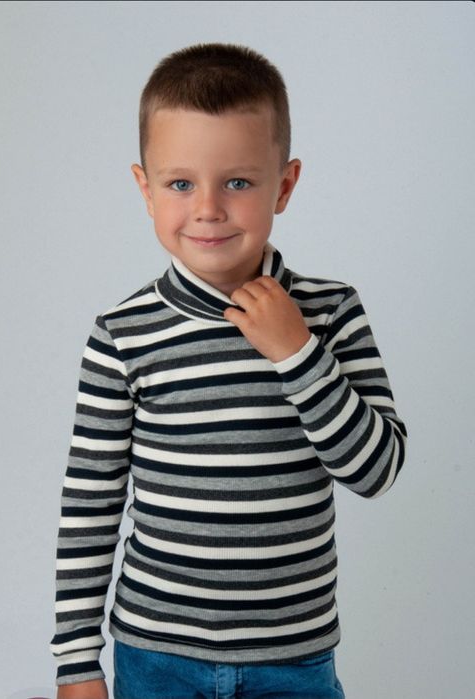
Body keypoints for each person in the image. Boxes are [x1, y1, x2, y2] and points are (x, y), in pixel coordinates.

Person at [50, 42, 407, 699]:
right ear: (145, 189)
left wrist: (297, 351)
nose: (208, 208)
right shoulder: (122, 335)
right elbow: (89, 506)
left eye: (237, 182)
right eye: (180, 183)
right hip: (156, 656)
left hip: (294, 659)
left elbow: (376, 470)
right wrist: (77, 661)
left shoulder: (331, 312)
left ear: (285, 185)